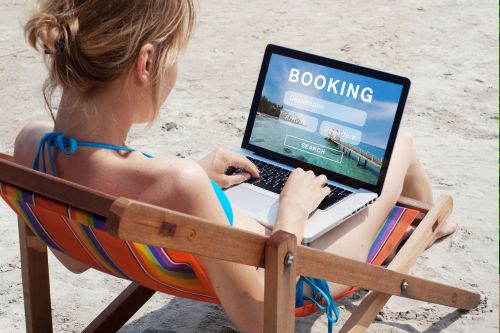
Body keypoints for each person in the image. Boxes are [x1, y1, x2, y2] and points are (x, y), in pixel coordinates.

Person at [13, 1, 457, 332]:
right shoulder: (177, 182)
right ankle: (428, 222)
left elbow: (72, 259)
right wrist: (293, 213)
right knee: (398, 141)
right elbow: (266, 321)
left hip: (231, 240)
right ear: (146, 63)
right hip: (300, 268)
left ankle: (427, 224)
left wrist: (193, 178)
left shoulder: (33, 145)